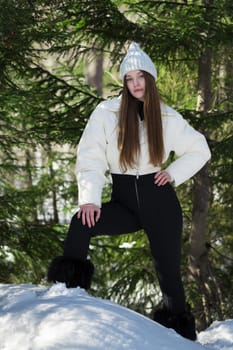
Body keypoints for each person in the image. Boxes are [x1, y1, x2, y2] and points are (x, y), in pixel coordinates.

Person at [47, 42, 211, 340]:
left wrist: (172, 173)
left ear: (150, 78)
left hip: (160, 202)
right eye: (129, 78)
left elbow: (200, 149)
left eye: (141, 77)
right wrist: (90, 200)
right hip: (123, 202)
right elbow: (90, 157)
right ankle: (68, 299)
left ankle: (183, 340)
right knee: (80, 223)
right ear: (124, 82)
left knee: (169, 275)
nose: (136, 84)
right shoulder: (106, 113)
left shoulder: (166, 115)